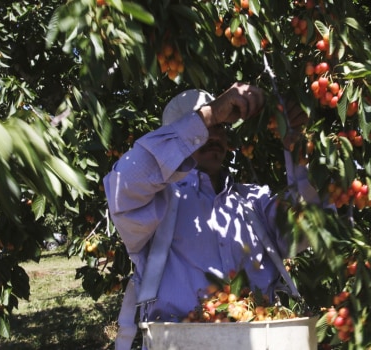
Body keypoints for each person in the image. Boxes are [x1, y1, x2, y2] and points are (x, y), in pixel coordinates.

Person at [104, 83, 321, 349]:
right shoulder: (156, 206)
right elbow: (123, 183)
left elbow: (310, 230)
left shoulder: (253, 202)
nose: (213, 135)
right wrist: (211, 114)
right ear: (176, 139)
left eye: (219, 127)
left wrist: (297, 150)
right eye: (201, 127)